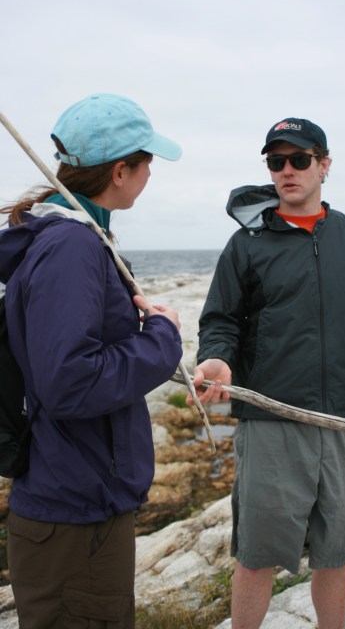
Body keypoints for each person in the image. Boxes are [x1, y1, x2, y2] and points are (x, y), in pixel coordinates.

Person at [189, 117, 345, 629]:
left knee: (336, 552)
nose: (287, 171)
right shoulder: (246, 245)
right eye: (276, 162)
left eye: (299, 159)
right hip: (272, 420)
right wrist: (216, 358)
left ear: (324, 165)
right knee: (257, 554)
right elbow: (220, 319)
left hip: (344, 421)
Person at [0, 93, 183, 628]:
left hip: (75, 505)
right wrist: (162, 338)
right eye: (147, 161)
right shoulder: (73, 248)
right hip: (74, 518)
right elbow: (70, 383)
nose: (151, 172)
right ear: (121, 171)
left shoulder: (77, 240)